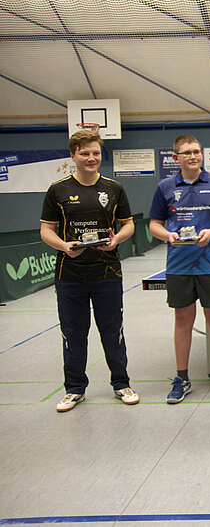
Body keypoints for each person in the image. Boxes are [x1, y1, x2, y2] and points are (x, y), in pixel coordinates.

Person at [40, 129, 138, 412]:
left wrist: (116, 240)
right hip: (69, 275)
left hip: (107, 273)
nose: (91, 158)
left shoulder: (114, 188)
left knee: (112, 331)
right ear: (73, 156)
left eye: (95, 153)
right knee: (73, 334)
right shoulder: (57, 190)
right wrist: (63, 246)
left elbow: (128, 224)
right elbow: (46, 230)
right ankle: (74, 389)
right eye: (85, 153)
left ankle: (121, 384)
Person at [149, 135, 210, 403]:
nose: (192, 156)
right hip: (178, 266)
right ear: (175, 157)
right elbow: (154, 224)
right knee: (182, 320)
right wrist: (167, 235)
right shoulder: (165, 187)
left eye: (196, 151)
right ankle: (182, 378)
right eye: (187, 152)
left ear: (202, 154)